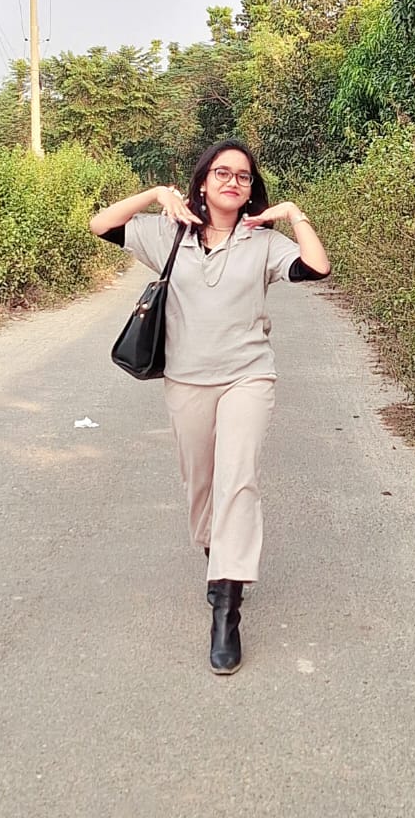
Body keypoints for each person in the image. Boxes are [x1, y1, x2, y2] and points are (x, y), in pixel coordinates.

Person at [90, 139, 330, 675]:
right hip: (187, 379)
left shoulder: (263, 242)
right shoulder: (169, 234)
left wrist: (293, 214)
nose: (232, 182)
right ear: (202, 182)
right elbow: (100, 224)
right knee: (200, 481)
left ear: (251, 190)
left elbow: (316, 268)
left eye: (243, 177)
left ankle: (227, 605)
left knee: (237, 479)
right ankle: (216, 550)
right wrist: (154, 194)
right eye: (222, 173)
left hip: (249, 376)